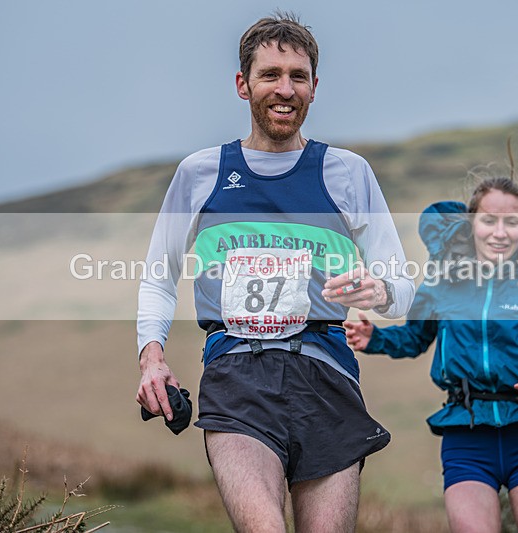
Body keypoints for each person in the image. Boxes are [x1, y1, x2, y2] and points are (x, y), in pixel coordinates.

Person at [135, 13, 414, 533]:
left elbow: (401, 289)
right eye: (270, 74)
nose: (285, 89)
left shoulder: (348, 172)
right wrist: (152, 358)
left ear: (314, 87)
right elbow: (158, 275)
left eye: (298, 76)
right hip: (236, 375)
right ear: (243, 85)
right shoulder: (201, 172)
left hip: (327, 374)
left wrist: (378, 289)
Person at [345, 159, 518, 532]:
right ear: (471, 224)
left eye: (512, 222)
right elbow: (415, 337)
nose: (500, 232)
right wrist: (375, 338)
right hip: (466, 439)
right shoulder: (443, 282)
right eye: (488, 220)